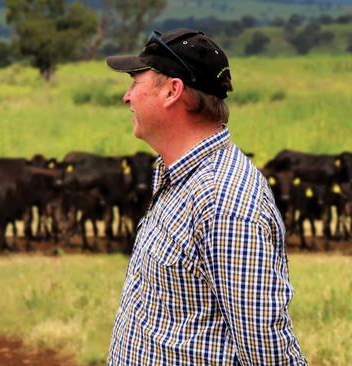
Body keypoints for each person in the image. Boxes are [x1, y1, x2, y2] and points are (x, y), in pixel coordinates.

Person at [105, 29, 307, 365]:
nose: (127, 97)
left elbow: (265, 347)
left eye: (135, 83)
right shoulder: (179, 176)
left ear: (173, 91)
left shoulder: (225, 201)